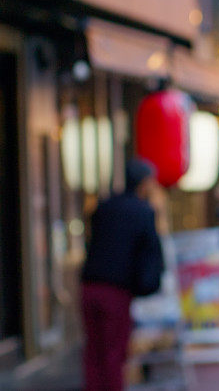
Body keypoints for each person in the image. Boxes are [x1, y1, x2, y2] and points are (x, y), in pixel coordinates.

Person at [80, 159, 163, 391]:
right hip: (116, 289)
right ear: (144, 183)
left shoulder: (104, 206)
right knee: (114, 351)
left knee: (93, 351)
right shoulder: (143, 211)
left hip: (90, 284)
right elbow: (150, 252)